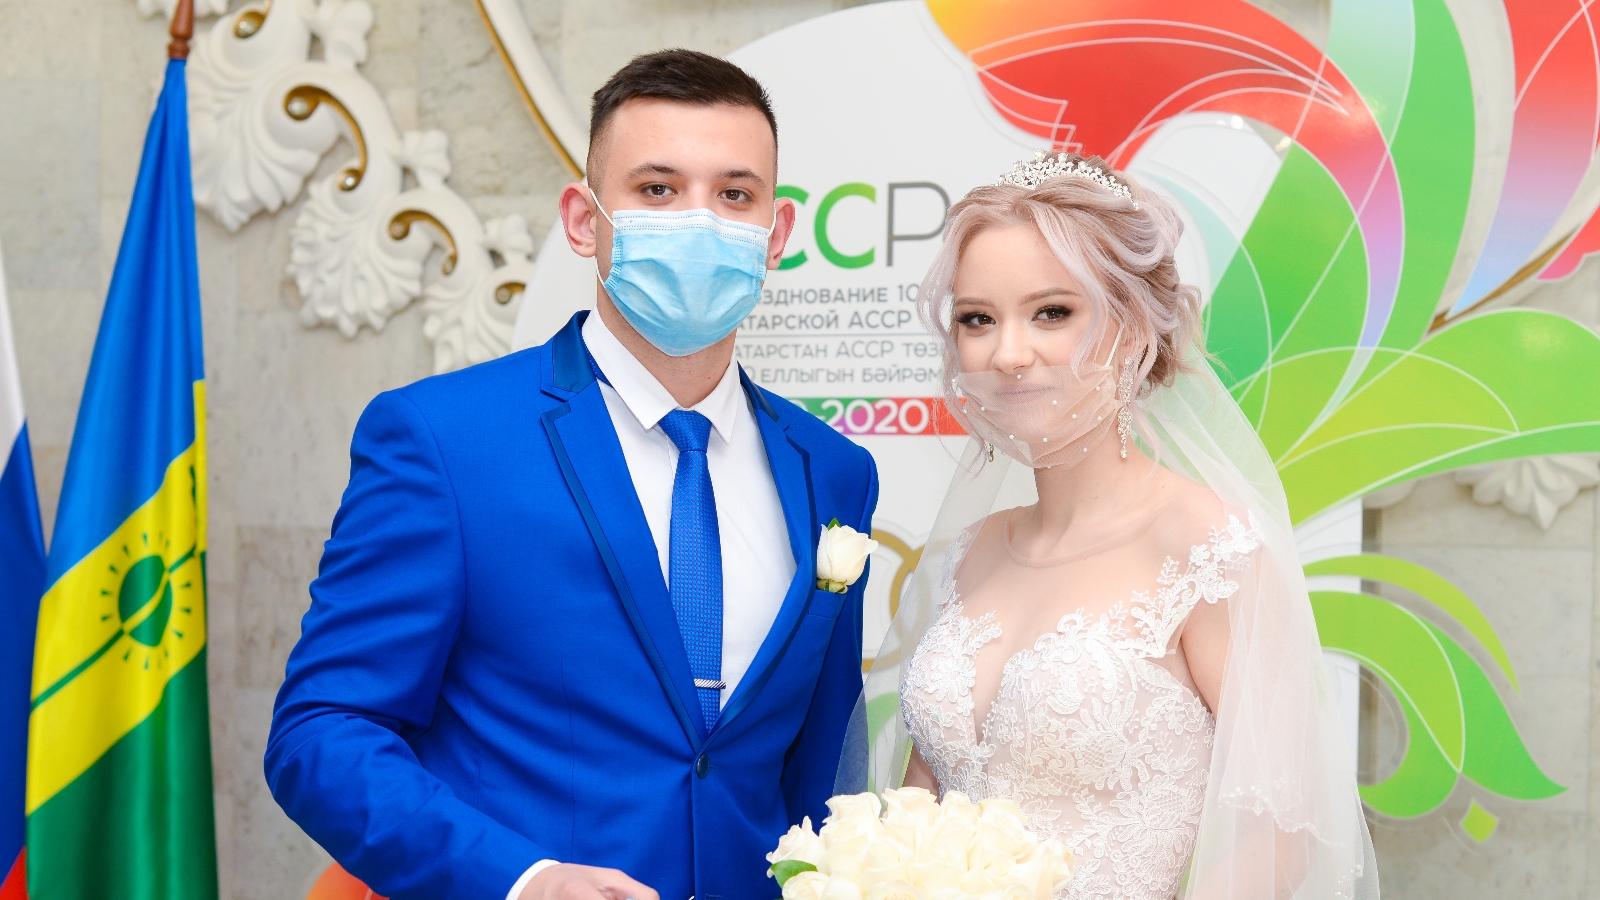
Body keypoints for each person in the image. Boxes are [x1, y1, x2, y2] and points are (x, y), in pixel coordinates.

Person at [265, 50, 879, 900]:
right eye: (657, 189)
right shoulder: (443, 440)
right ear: (585, 221)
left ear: (775, 235)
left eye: (734, 195)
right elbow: (323, 732)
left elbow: (821, 771)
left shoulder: (835, 472)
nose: (699, 221)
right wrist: (523, 880)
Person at [852, 152, 1376, 899]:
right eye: (978, 320)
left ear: (1132, 331)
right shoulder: (973, 550)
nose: (1008, 353)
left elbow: (1278, 830)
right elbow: (922, 810)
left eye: (1052, 312)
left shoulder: (1207, 546)